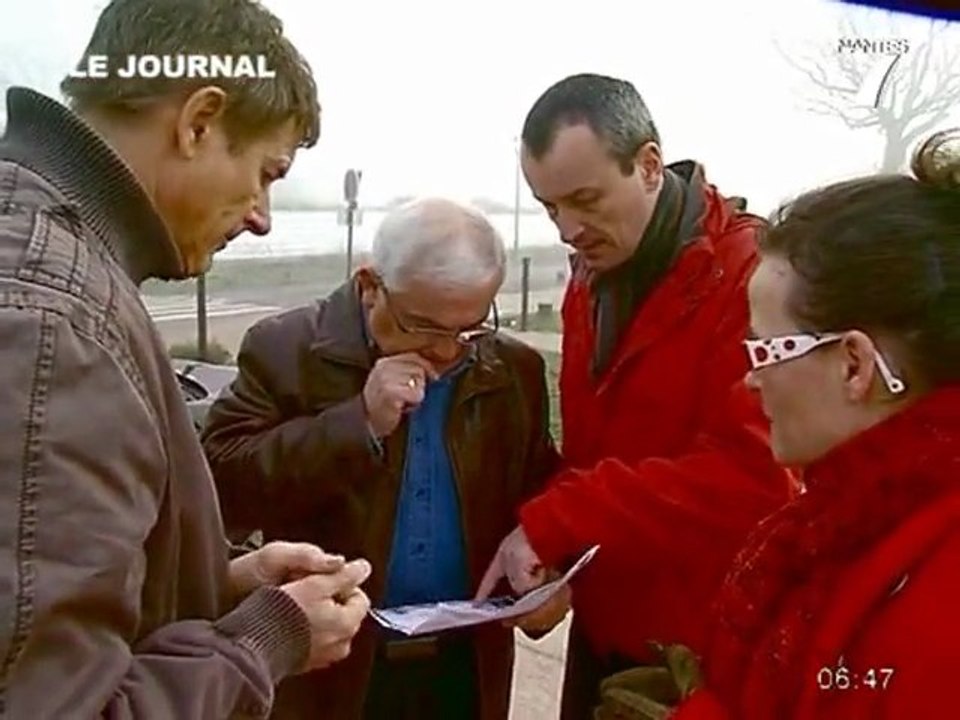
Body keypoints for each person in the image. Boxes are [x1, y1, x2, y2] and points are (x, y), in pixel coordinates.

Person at [0, 1, 371, 717]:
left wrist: (216, 583)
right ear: (198, 122)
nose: (262, 214)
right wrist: (269, 637)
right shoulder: (52, 329)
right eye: (267, 171)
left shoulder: (55, 268)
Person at [476, 73, 796, 717]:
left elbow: (755, 478)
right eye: (549, 207)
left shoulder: (753, 278)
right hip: (604, 629)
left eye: (585, 199)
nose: (568, 228)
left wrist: (560, 519)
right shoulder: (589, 275)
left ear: (649, 165)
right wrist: (558, 564)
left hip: (702, 649)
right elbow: (597, 451)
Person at [200, 197, 561, 720]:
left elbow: (539, 488)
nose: (446, 350)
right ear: (371, 286)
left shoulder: (513, 369)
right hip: (328, 663)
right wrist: (358, 422)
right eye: (425, 326)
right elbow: (221, 484)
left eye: (470, 328)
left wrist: (550, 574)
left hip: (465, 663)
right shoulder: (288, 348)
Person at [662, 128, 960, 719]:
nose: (749, 379)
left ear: (854, 364)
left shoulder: (936, 607)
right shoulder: (847, 521)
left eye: (763, 349)